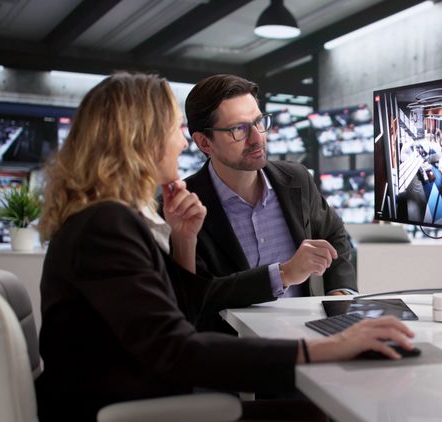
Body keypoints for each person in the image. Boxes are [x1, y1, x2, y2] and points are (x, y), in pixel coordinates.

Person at [35, 72, 415, 421]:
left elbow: (178, 316)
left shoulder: (106, 221)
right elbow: (178, 348)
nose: (181, 141)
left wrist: (183, 239)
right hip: (129, 408)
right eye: (173, 129)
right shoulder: (107, 227)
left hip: (141, 397)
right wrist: (326, 349)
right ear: (141, 142)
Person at [182, 74, 356, 332]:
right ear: (204, 142)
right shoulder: (184, 206)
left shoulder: (295, 179)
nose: (257, 138)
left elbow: (334, 234)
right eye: (238, 129)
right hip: (234, 355)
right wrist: (284, 274)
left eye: (259, 122)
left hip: (308, 338)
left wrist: (340, 294)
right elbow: (198, 295)